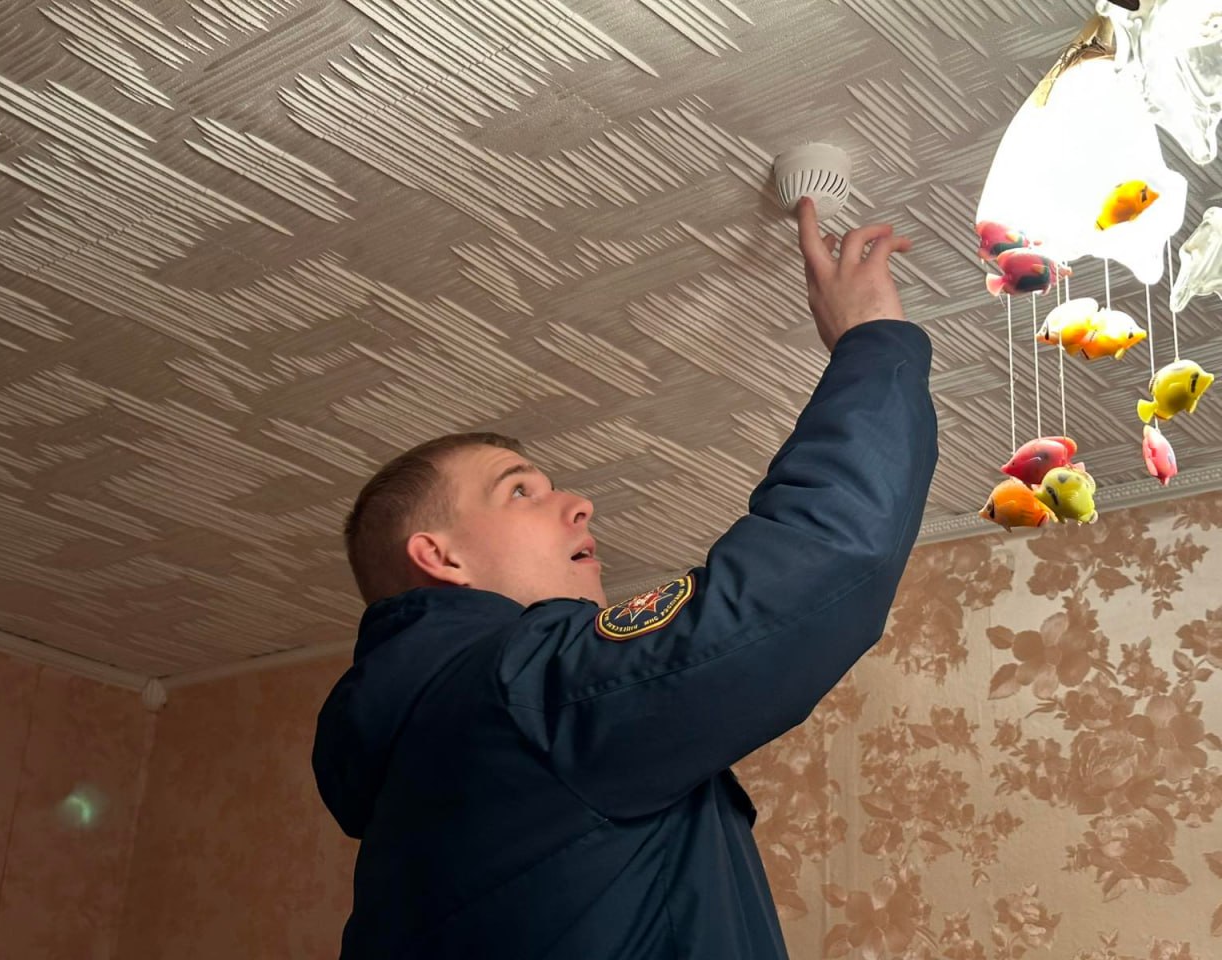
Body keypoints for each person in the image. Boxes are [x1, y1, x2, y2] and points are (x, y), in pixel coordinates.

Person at [313, 197, 939, 959]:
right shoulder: (521, 689)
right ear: (439, 557)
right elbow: (821, 564)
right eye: (521, 491)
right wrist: (871, 339)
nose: (577, 503)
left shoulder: (412, 774)